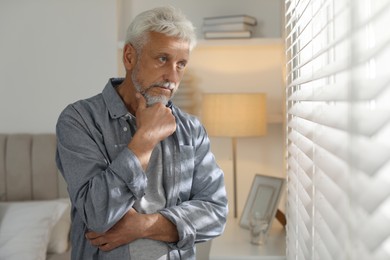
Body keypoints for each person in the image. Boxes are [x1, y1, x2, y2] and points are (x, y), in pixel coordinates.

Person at [55, 6, 228, 260]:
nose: (172, 76)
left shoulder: (191, 129)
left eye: (181, 64)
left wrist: (143, 226)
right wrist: (144, 140)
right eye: (162, 59)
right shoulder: (79, 120)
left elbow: (216, 213)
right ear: (129, 57)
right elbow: (97, 214)